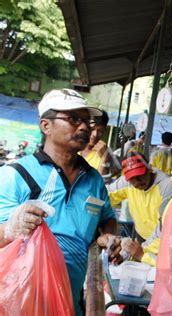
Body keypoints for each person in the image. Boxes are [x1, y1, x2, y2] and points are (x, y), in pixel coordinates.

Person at [0, 88, 121, 315]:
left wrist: (108, 235)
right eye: (74, 119)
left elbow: (108, 219)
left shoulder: (93, 179)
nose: (85, 127)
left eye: (87, 120)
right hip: (22, 302)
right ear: (46, 126)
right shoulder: (16, 174)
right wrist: (10, 229)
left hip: (69, 300)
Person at [107, 151, 172, 262]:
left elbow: (165, 226)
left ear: (150, 168)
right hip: (143, 239)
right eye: (131, 179)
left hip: (165, 242)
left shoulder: (167, 187)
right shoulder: (128, 183)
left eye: (140, 176)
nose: (137, 183)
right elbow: (104, 195)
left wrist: (141, 253)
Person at [79, 110, 119, 181]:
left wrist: (105, 159)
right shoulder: (73, 147)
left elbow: (102, 184)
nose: (95, 134)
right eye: (92, 129)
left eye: (100, 131)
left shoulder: (106, 153)